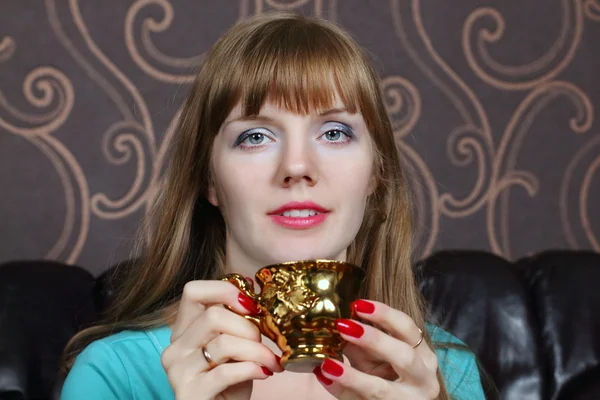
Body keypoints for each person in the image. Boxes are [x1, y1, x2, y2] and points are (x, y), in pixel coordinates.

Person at [60, 11, 487, 400]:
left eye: (335, 132)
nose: (297, 166)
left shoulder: (443, 374)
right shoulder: (112, 375)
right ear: (210, 181)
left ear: (376, 171)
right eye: (255, 136)